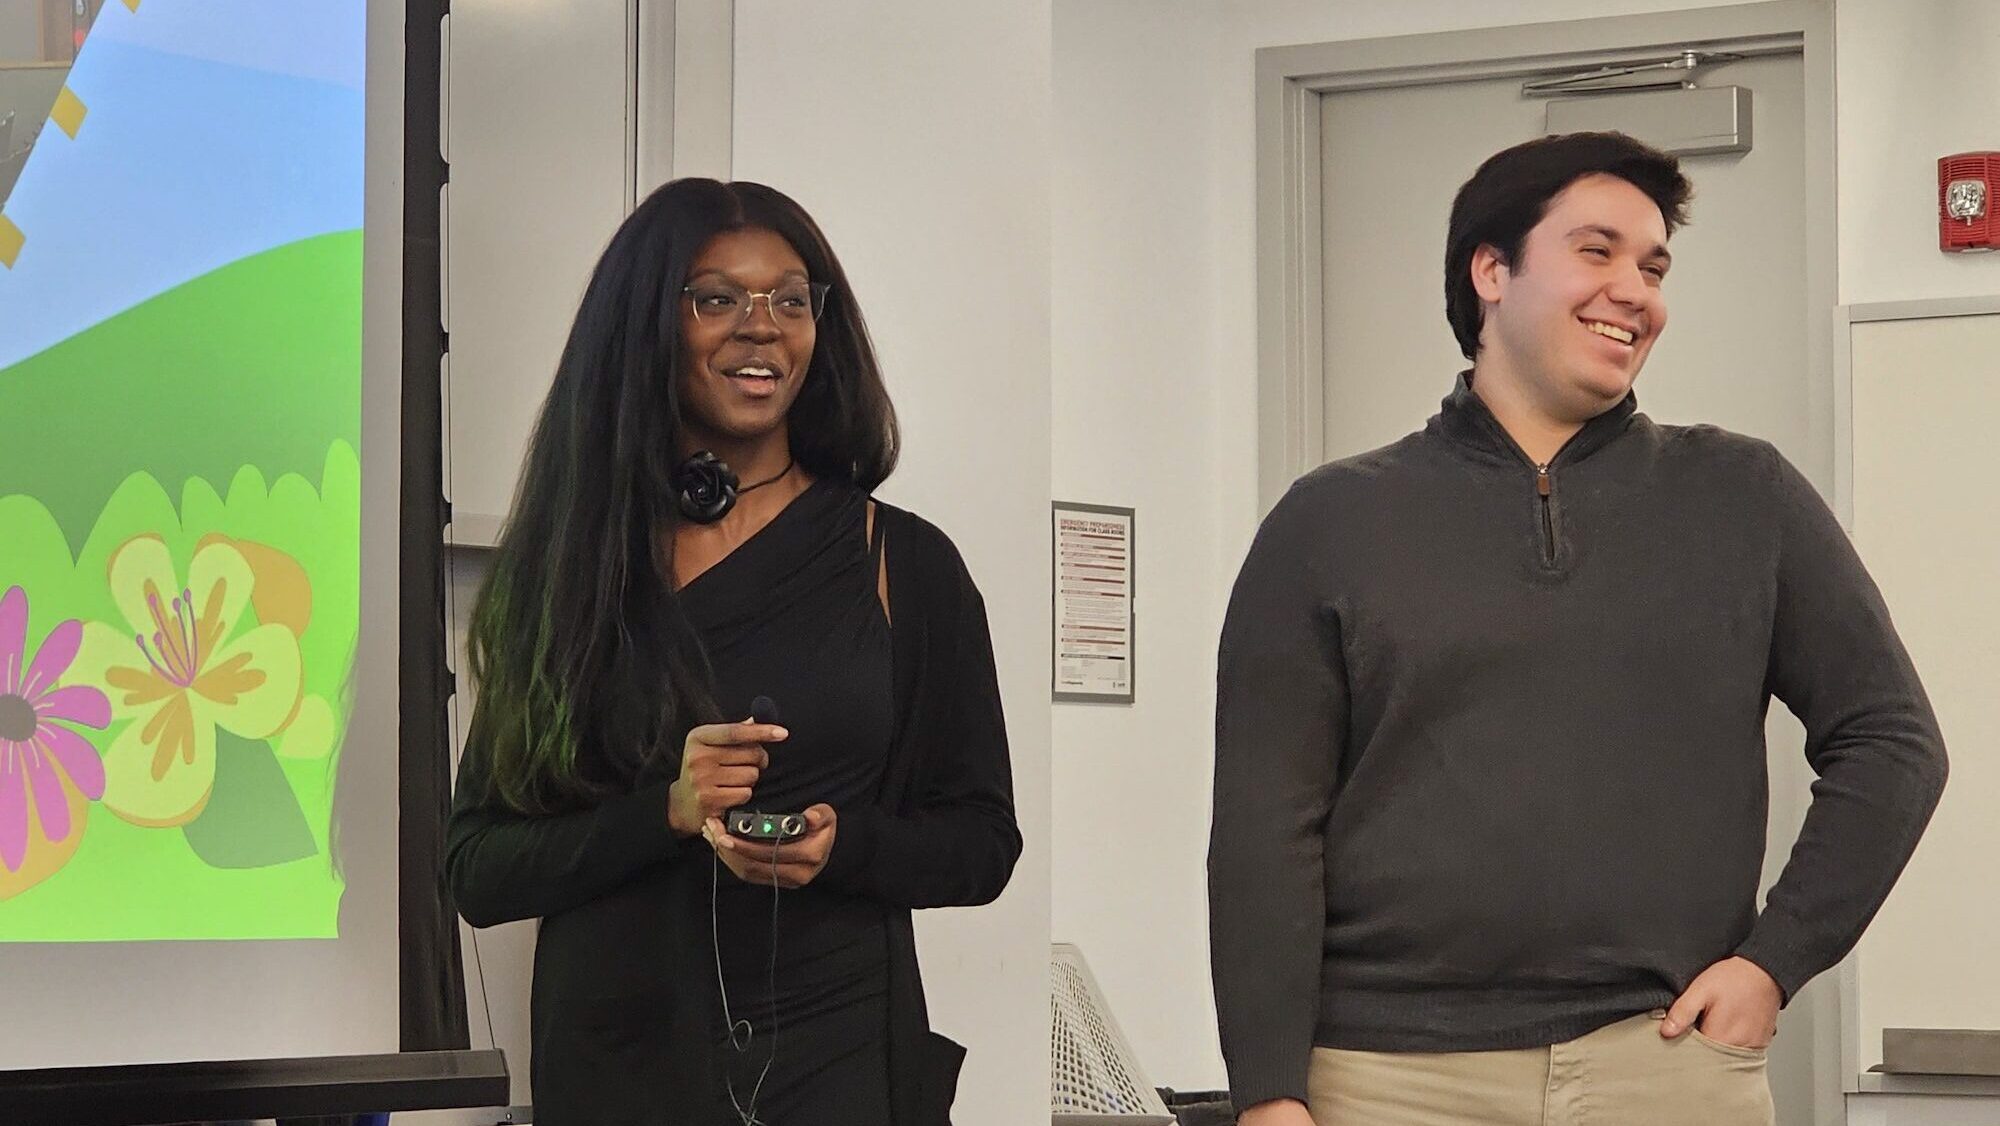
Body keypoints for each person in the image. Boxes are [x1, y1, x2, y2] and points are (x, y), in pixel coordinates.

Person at [1208, 132, 1948, 1126]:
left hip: (1663, 1066)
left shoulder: (1742, 496)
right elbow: (1264, 826)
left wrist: (1773, 963)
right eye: (1594, 251)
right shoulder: (1327, 521)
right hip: (1385, 1080)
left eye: (1650, 265)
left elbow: (1892, 743)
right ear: (1489, 271)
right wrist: (1265, 1091)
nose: (1633, 290)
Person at [446, 178, 1021, 1126]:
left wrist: (848, 845)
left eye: (790, 300)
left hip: (835, 1058)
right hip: (615, 1073)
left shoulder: (903, 563)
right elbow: (479, 869)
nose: (762, 328)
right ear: (647, 327)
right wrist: (665, 812)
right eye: (716, 298)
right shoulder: (573, 570)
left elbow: (981, 844)